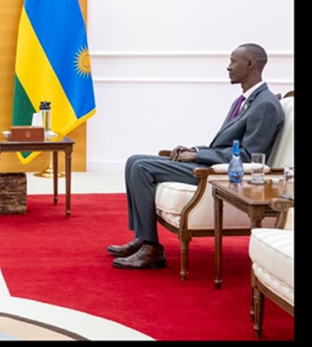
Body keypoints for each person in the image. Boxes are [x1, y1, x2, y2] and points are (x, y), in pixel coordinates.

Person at [107, 43, 285, 269]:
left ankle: (151, 249)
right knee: (133, 160)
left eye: (233, 61)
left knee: (142, 168)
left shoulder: (265, 104)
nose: (228, 67)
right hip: (214, 163)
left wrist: (198, 155)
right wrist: (194, 151)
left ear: (250, 64)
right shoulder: (244, 101)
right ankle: (142, 237)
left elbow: (248, 157)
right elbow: (226, 145)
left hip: (221, 175)